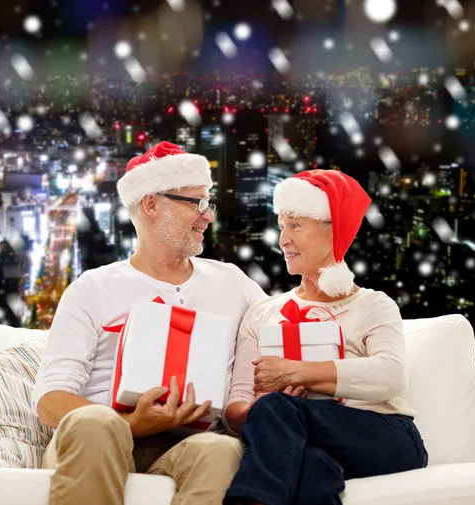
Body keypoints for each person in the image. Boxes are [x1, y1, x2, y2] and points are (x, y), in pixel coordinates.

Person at [32, 141, 267, 505]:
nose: (208, 216)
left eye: (209, 203)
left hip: (183, 446)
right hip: (99, 438)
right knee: (97, 425)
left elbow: (277, 329)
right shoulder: (94, 288)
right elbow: (50, 401)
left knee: (220, 451)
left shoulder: (233, 283)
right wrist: (129, 423)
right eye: (197, 203)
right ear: (152, 204)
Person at [222, 169, 428, 505]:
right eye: (281, 226)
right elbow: (236, 403)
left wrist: (297, 373)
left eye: (296, 226)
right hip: (300, 437)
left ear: (335, 231)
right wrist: (252, 413)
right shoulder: (262, 313)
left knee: (279, 409)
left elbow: (391, 376)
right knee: (312, 466)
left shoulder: (373, 304)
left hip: (386, 437)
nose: (283, 240)